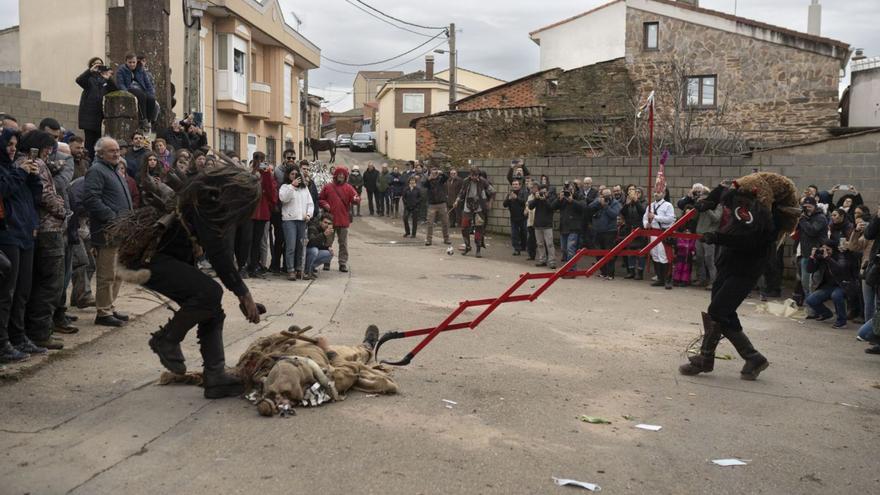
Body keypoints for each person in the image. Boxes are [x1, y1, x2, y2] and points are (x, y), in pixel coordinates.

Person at [141, 166, 264, 399]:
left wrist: (243, 294)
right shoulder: (205, 202)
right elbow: (218, 253)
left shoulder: (206, 199)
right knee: (210, 292)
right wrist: (243, 294)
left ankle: (215, 376)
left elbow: (220, 250)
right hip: (150, 260)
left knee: (211, 310)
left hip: (165, 258)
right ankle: (166, 339)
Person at [679, 176, 798, 380]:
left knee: (718, 310)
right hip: (728, 265)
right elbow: (730, 187)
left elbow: (749, 241)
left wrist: (718, 237)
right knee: (723, 313)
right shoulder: (745, 204)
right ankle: (751, 358)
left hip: (745, 270)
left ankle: (709, 357)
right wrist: (710, 200)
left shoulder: (768, 221)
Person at [16, 131, 69, 349]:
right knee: (50, 283)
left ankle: (34, 331)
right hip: (48, 228)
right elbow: (46, 194)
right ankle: (40, 332)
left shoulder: (20, 161)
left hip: (37, 228)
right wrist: (63, 210)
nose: (50, 152)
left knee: (39, 282)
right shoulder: (34, 162)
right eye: (48, 148)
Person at [0, 129, 45, 362]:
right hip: (8, 235)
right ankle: (3, 343)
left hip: (26, 233)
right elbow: (4, 190)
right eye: (8, 144)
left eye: (15, 144)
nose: (12, 148)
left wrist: (33, 177)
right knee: (7, 293)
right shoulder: (6, 170)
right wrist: (20, 173)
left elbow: (34, 199)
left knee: (23, 291)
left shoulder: (15, 168)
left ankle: (18, 337)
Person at [83, 137, 132, 327]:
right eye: (112, 151)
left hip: (122, 229)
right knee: (106, 274)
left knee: (118, 272)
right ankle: (102, 312)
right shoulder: (96, 170)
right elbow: (91, 199)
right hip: (107, 231)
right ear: (100, 153)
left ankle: (109, 306)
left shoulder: (114, 170)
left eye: (118, 150)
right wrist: (112, 217)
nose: (117, 153)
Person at [318, 166, 359, 272]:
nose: (341, 176)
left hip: (343, 220)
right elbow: (320, 199)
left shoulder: (349, 188)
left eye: (343, 175)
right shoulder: (328, 187)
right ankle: (326, 261)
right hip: (330, 221)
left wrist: (356, 199)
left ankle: (342, 263)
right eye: (339, 174)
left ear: (345, 176)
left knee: (343, 244)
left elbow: (356, 199)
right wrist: (325, 204)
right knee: (327, 242)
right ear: (335, 175)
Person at [805, 240, 853, 329]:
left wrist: (828, 258)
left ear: (833, 249)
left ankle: (842, 321)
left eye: (828, 249)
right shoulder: (822, 258)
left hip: (842, 285)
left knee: (836, 295)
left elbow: (839, 269)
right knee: (810, 300)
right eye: (823, 249)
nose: (825, 251)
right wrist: (812, 257)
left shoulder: (841, 256)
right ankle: (826, 314)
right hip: (828, 286)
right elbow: (809, 270)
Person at [76, 57, 116, 159]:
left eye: (100, 64)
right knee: (89, 143)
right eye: (95, 64)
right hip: (89, 117)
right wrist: (90, 71)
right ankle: (87, 162)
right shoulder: (89, 79)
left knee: (99, 143)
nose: (98, 66)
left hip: (100, 117)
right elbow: (79, 80)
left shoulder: (105, 80)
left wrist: (108, 78)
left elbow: (115, 90)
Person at [278, 167, 313, 281]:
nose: (294, 175)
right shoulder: (285, 187)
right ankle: (290, 270)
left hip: (302, 220)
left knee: (300, 246)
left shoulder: (304, 188)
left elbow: (310, 203)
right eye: (292, 174)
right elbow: (284, 199)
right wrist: (292, 186)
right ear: (288, 175)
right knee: (291, 246)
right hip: (289, 221)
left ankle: (299, 269)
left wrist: (308, 214)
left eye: (296, 174)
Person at [796, 196, 829, 314]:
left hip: (817, 256)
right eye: (805, 207)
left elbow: (812, 231)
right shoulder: (805, 217)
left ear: (815, 206)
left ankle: (815, 311)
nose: (807, 209)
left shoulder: (820, 218)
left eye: (809, 207)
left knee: (813, 284)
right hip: (805, 254)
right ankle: (811, 309)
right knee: (805, 283)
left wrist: (802, 220)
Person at [247, 152, 277, 277]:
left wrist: (266, 174)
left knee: (258, 242)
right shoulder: (249, 173)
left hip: (262, 213)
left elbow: (271, 193)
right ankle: (247, 265)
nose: (259, 161)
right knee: (247, 241)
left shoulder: (267, 174)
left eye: (262, 159)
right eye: (257, 159)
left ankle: (254, 267)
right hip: (250, 212)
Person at [453, 167, 495, 258]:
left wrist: (490, 202)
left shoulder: (483, 181)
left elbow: (493, 191)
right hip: (468, 205)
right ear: (470, 175)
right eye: (473, 176)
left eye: (476, 175)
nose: (475, 177)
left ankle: (478, 249)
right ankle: (467, 246)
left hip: (479, 206)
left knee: (479, 228)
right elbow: (461, 192)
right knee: (464, 227)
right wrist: (457, 200)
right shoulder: (466, 181)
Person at [643, 187, 675, 290]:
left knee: (663, 256)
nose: (656, 194)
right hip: (653, 232)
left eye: (659, 192)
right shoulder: (650, 206)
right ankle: (660, 278)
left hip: (663, 232)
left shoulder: (668, 205)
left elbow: (670, 219)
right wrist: (646, 224)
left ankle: (667, 279)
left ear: (664, 193)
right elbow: (644, 217)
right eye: (655, 192)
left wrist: (655, 217)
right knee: (655, 255)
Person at [115, 53, 157, 127]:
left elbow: (147, 83)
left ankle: (149, 119)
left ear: (136, 62)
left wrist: (151, 93)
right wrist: (126, 92)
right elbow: (120, 84)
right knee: (141, 95)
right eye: (130, 62)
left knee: (151, 99)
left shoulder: (141, 70)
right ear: (126, 62)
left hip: (141, 88)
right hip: (129, 88)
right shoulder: (121, 70)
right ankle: (143, 118)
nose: (132, 64)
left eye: (133, 62)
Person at [588, 187, 620, 278]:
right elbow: (589, 208)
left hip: (610, 231)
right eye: (604, 195)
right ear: (601, 195)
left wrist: (606, 206)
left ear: (611, 195)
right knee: (598, 253)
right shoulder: (598, 201)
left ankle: (610, 274)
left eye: (608, 195)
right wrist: (598, 202)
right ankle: (603, 272)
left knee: (609, 253)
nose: (607, 197)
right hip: (597, 231)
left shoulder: (615, 203)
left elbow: (614, 214)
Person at [620, 186, 647, 279]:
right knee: (630, 252)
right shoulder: (629, 203)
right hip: (630, 229)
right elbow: (622, 213)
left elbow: (643, 212)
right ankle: (631, 272)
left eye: (638, 192)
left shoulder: (644, 202)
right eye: (635, 192)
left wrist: (636, 201)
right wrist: (626, 204)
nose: (636, 193)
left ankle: (640, 273)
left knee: (640, 253)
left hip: (640, 230)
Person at [528, 182, 556, 268]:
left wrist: (544, 200)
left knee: (549, 244)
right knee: (540, 244)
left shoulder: (551, 199)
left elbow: (551, 208)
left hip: (547, 225)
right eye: (541, 192)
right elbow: (530, 206)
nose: (543, 194)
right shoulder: (537, 199)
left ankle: (552, 261)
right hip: (537, 225)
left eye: (544, 192)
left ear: (547, 192)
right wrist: (536, 199)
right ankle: (542, 260)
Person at [424, 167, 450, 246]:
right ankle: (429, 240)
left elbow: (446, 177)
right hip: (432, 204)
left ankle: (446, 238)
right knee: (430, 223)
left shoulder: (440, 180)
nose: (434, 174)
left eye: (435, 172)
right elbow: (424, 184)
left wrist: (441, 173)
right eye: (432, 172)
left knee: (445, 222)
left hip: (442, 203)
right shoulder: (429, 181)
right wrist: (429, 178)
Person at [305, 213, 335, 280]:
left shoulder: (327, 230)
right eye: (325, 222)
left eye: (329, 223)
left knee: (329, 253)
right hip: (304, 251)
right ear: (320, 222)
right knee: (314, 250)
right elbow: (311, 243)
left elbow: (320, 245)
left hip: (311, 249)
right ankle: (307, 271)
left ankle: (310, 268)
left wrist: (328, 248)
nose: (326, 225)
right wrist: (324, 234)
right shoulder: (313, 227)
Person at [503, 179, 528, 256]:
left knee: (524, 233)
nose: (515, 186)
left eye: (516, 184)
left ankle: (523, 246)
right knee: (514, 234)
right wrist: (509, 199)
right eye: (513, 184)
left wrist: (516, 198)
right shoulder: (510, 194)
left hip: (522, 217)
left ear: (519, 185)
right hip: (513, 218)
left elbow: (525, 202)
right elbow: (504, 204)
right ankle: (516, 249)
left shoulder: (523, 192)